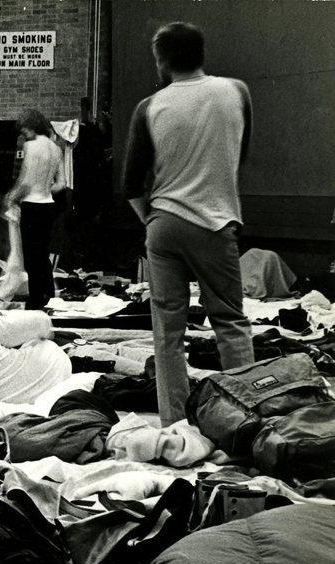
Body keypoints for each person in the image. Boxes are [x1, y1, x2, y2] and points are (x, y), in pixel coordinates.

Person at [122, 21, 255, 426]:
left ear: (161, 60)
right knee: (230, 321)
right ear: (201, 54)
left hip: (164, 224)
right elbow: (238, 157)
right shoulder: (236, 92)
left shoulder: (150, 106)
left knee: (168, 333)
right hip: (216, 222)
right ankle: (242, 418)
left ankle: (175, 424)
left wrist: (153, 222)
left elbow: (131, 184)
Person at [4, 109, 65, 310]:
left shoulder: (31, 146)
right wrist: (45, 188)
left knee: (31, 257)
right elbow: (61, 184)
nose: (23, 133)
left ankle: (36, 300)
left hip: (31, 205)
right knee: (43, 253)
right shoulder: (56, 148)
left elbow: (26, 180)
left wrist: (12, 196)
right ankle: (49, 295)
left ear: (31, 125)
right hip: (48, 205)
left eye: (24, 128)